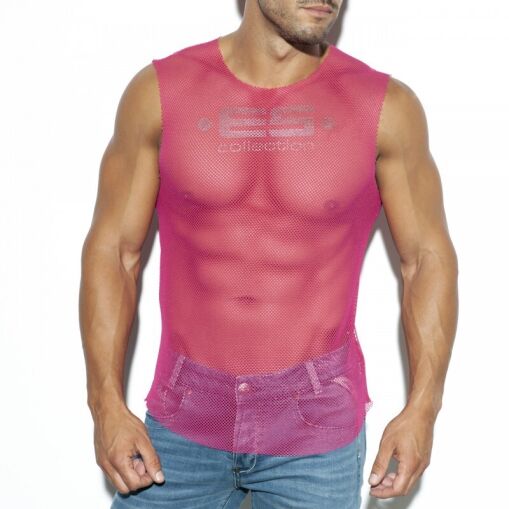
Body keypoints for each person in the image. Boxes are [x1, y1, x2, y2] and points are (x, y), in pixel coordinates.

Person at [79, 1, 458, 507]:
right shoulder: (161, 94)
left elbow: (426, 259)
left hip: (315, 426)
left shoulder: (385, 108)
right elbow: (114, 251)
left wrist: (423, 410)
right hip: (183, 420)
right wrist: (104, 403)